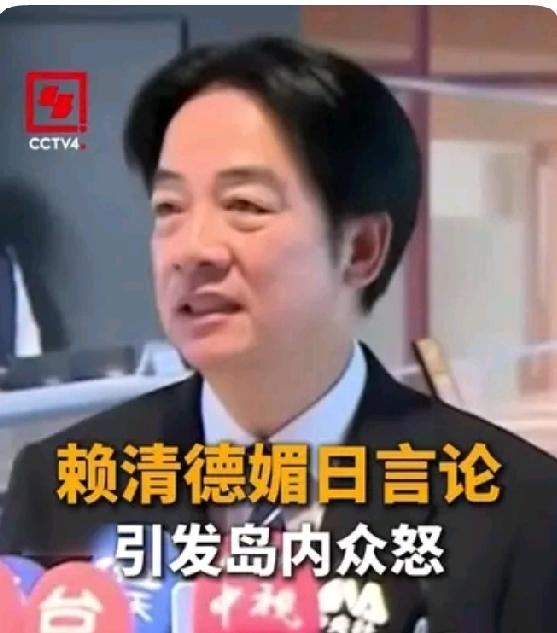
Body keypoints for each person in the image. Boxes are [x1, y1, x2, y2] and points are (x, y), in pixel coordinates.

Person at [1, 36, 557, 632]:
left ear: (361, 249)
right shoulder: (59, 482)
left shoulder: (517, 509)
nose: (191, 249)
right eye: (169, 208)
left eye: (245, 205)